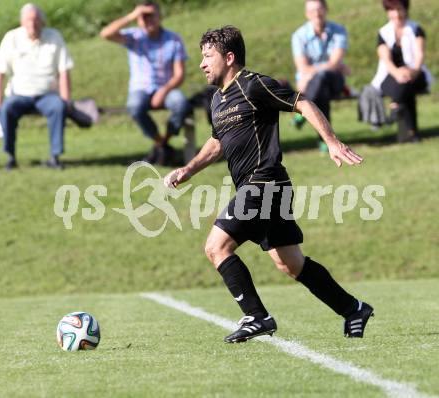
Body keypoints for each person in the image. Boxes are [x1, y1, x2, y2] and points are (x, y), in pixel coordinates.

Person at [164, 26, 374, 343]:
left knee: (216, 247)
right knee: (290, 263)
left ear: (229, 57)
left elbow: (303, 103)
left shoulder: (253, 85)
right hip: (261, 188)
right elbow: (217, 142)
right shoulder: (217, 100)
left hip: (264, 182)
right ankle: (353, 309)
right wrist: (189, 169)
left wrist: (331, 141)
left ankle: (256, 316)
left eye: (208, 56)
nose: (202, 64)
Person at [100, 0, 192, 166]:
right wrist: (133, 15)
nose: (148, 20)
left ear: (160, 16)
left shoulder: (173, 39)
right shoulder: (134, 37)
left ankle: (164, 141)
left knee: (181, 104)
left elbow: (179, 74)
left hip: (166, 87)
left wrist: (164, 91)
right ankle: (161, 145)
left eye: (151, 16)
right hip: (140, 88)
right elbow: (105, 34)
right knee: (134, 106)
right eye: (144, 17)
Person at [0, 3, 73, 170]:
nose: (32, 24)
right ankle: (10, 157)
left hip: (47, 95)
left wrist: (66, 99)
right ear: (22, 22)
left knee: (58, 106)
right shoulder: (11, 38)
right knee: (7, 109)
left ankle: (55, 156)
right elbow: (0, 73)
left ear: (43, 22)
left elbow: (64, 71)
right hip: (19, 94)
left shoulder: (54, 37)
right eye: (28, 20)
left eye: (35, 20)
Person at [291, 0, 350, 151]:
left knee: (323, 78)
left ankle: (304, 113)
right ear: (306, 14)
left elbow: (334, 63)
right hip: (310, 84)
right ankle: (327, 140)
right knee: (321, 87)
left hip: (334, 81)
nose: (316, 14)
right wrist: (332, 65)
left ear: (326, 9)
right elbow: (302, 67)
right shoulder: (299, 35)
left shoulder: (339, 31)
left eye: (319, 9)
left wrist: (316, 70)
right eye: (312, 11)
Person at [370, 0, 432, 142]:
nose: (396, 14)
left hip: (415, 74)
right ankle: (412, 132)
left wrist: (412, 72)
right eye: (392, 10)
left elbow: (419, 55)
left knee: (406, 83)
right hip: (391, 75)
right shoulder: (383, 33)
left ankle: (395, 106)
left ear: (405, 9)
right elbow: (386, 60)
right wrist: (398, 73)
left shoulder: (416, 29)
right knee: (403, 85)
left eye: (399, 9)